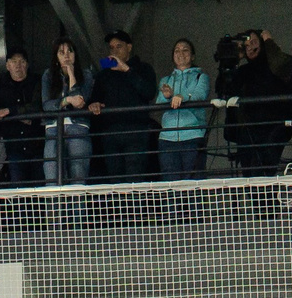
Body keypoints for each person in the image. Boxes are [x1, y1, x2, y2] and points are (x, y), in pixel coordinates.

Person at [222, 30, 292, 176]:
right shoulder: (243, 70)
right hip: (247, 132)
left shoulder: (283, 62)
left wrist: (269, 42)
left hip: (273, 129)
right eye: (246, 45)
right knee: (249, 177)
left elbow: (282, 66)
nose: (249, 46)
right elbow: (225, 88)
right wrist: (233, 59)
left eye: (254, 42)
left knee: (265, 175)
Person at [90, 31, 159, 182]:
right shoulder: (104, 75)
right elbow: (94, 100)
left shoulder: (144, 68)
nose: (114, 51)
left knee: (134, 179)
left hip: (136, 131)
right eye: (111, 47)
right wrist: (93, 105)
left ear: (129, 47)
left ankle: (135, 207)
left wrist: (127, 70)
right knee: (114, 181)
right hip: (110, 133)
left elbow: (149, 92)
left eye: (119, 46)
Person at [39, 38, 96, 186]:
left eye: (70, 51)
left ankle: (77, 210)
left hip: (78, 127)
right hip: (53, 128)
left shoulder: (86, 75)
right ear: (56, 57)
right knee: (52, 175)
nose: (66, 56)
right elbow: (47, 105)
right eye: (61, 52)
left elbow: (80, 101)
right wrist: (66, 101)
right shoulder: (48, 75)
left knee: (77, 178)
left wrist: (71, 75)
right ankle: (56, 210)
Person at [0, 50, 41, 186]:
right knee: (19, 186)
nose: (18, 65)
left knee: (40, 186)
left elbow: (38, 106)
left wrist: (10, 111)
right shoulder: (0, 83)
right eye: (13, 62)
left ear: (27, 64)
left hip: (37, 142)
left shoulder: (37, 81)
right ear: (7, 65)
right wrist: (17, 116)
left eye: (21, 61)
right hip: (14, 145)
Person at [155, 39, 212, 177]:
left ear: (192, 56)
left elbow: (200, 94)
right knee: (171, 184)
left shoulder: (201, 77)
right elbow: (158, 102)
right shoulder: (166, 80)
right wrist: (167, 96)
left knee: (193, 184)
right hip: (168, 138)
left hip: (192, 136)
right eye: (177, 50)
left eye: (185, 49)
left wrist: (181, 96)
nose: (181, 53)